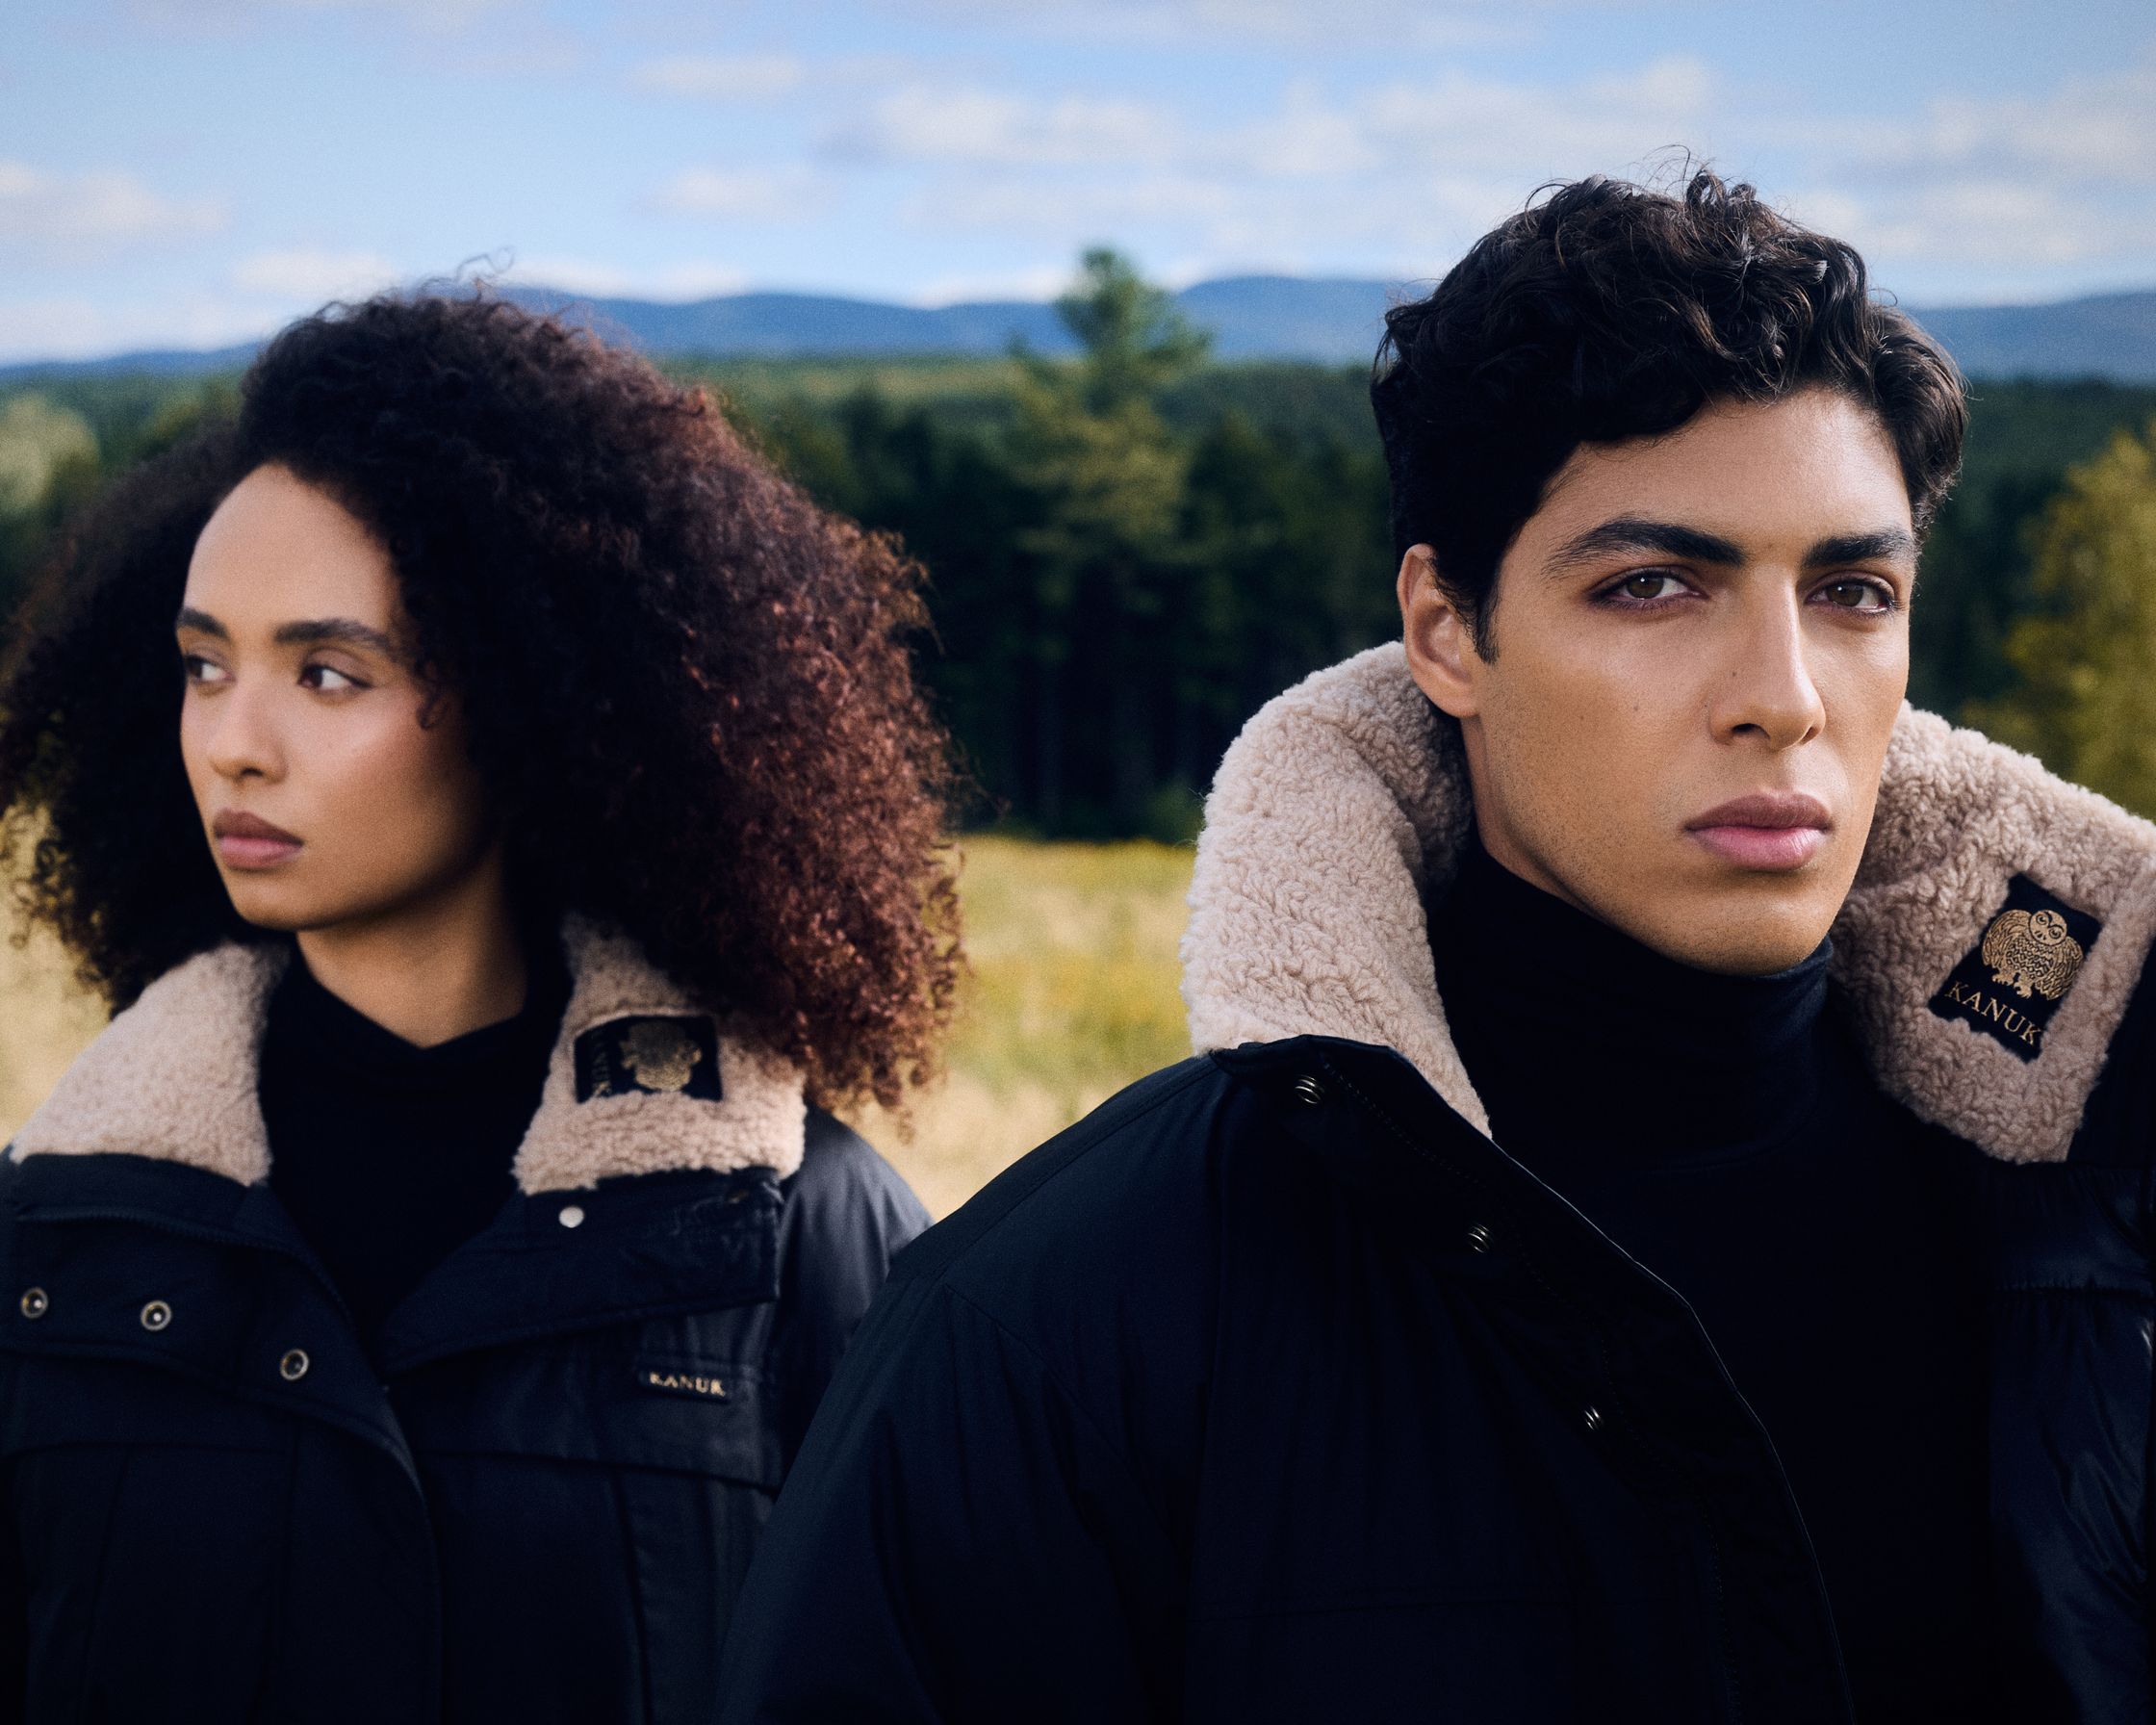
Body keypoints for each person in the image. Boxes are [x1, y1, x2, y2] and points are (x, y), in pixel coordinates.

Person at [717, 171, 2156, 1723]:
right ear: (1446, 632)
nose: (1785, 693)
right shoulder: (1059, 1321)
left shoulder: (2097, 1205)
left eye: (1852, 590)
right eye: (1654, 584)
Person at [0, 292, 954, 1723]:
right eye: (205, 665)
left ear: (532, 701)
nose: (233, 745)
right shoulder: (55, 1231)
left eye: (328, 673)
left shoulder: (792, 1232)